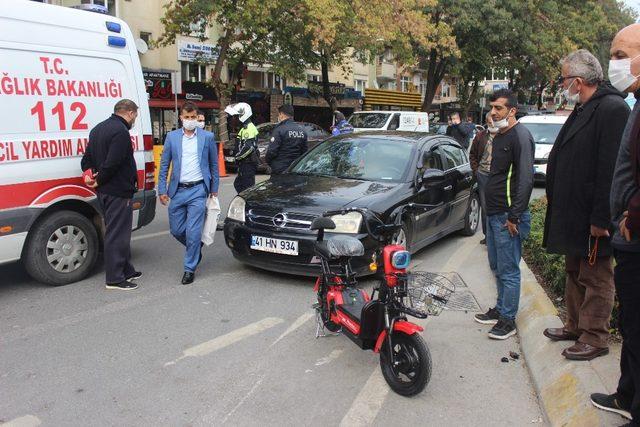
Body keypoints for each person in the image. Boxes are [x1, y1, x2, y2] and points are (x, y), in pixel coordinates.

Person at [542, 49, 630, 361]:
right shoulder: (585, 106)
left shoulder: (612, 109)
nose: (562, 85)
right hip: (572, 214)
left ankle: (595, 336)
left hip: (592, 216)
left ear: (578, 82)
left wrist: (601, 219)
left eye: (564, 79)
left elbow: (610, 169)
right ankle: (575, 325)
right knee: (574, 270)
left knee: (595, 277)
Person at [591, 23, 640, 424]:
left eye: (622, 56)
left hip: (634, 234)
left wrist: (631, 215)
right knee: (632, 325)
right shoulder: (636, 102)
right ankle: (626, 395)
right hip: (629, 237)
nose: (614, 64)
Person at [473, 89, 534, 340]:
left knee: (509, 270)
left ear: (512, 110)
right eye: (491, 108)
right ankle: (500, 309)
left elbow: (525, 180)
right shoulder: (498, 136)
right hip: (494, 214)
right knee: (497, 266)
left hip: (508, 218)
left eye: (498, 108)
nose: (493, 112)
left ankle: (508, 319)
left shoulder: (520, 137)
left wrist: (515, 216)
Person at [81, 99, 141, 291]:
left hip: (105, 191)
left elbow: (86, 159)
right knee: (118, 233)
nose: (134, 120)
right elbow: (113, 162)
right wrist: (100, 179)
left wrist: (89, 174)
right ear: (130, 113)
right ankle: (115, 278)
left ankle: (127, 269)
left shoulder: (98, 129)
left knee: (117, 230)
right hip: (117, 190)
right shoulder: (120, 132)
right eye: (135, 116)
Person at [158, 101, 219, 285]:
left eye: (193, 117)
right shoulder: (172, 137)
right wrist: (162, 189)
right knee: (176, 230)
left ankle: (189, 268)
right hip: (177, 190)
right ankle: (195, 248)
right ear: (181, 118)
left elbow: (214, 165)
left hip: (198, 190)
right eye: (187, 117)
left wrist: (214, 189)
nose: (190, 120)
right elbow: (164, 165)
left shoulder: (207, 137)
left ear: (197, 117)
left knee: (193, 231)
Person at [469, 112, 499, 244]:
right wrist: (476, 171)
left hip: (498, 176)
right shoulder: (480, 136)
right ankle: (488, 236)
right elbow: (472, 155)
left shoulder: (504, 135)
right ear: (486, 122)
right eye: (489, 121)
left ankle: (496, 234)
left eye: (494, 120)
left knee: (498, 205)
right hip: (483, 175)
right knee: (485, 206)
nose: (492, 123)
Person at [225, 102, 259, 193]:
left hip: (248, 163)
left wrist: (238, 157)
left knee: (247, 189)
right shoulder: (244, 128)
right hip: (244, 163)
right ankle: (244, 204)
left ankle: (248, 206)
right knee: (239, 184)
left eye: (237, 116)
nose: (234, 118)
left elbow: (248, 147)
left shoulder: (249, 128)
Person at [266, 105, 308, 174]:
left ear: (281, 114)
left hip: (279, 169)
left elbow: (271, 151)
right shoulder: (302, 131)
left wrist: (269, 162)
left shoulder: (279, 129)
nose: (278, 117)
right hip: (295, 169)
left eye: (278, 115)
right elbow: (304, 152)